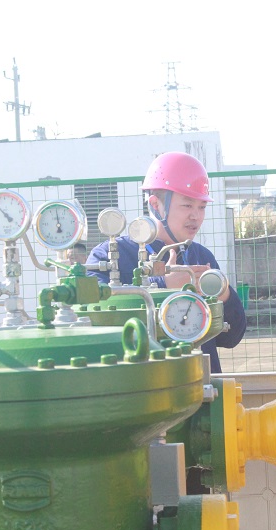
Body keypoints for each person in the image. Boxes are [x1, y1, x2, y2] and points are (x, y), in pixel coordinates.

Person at [87, 151, 247, 374]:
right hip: (139, 384)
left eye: (201, 207)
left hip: (200, 384)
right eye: (187, 205)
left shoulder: (201, 257)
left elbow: (232, 337)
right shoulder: (110, 256)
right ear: (156, 205)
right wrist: (164, 285)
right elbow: (93, 318)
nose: (196, 216)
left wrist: (224, 295)